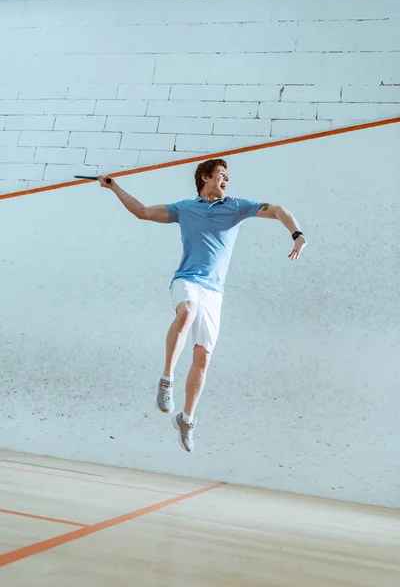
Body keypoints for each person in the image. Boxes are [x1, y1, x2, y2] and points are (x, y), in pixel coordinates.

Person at [99, 158, 306, 453]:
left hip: (215, 292)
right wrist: (114, 186)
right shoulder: (184, 208)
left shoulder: (237, 206)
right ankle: (167, 380)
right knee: (187, 313)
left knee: (203, 357)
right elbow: (142, 212)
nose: (227, 180)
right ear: (206, 177)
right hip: (187, 280)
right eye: (222, 175)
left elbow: (277, 210)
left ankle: (187, 418)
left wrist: (297, 235)